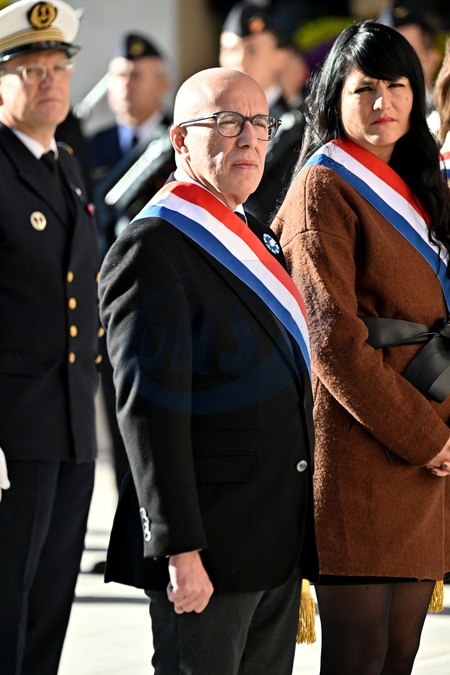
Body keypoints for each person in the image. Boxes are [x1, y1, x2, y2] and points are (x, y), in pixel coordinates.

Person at [99, 66, 318, 675]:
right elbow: (149, 413)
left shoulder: (253, 234)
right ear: (180, 141)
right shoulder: (153, 246)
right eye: (226, 122)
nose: (248, 137)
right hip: (208, 550)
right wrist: (179, 549)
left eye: (259, 123)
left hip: (272, 537)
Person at [272, 19, 450, 674]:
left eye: (398, 86)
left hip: (430, 443)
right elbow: (332, 341)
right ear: (334, 98)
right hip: (361, 448)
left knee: (400, 655)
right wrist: (425, 437)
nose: (383, 102)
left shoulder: (420, 183)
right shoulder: (322, 185)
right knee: (360, 656)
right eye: (365, 88)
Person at [0, 1, 101, 673]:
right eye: (30, 69)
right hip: (12, 432)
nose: (49, 80)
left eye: (58, 66)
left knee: (50, 603)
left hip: (69, 427)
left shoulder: (64, 162)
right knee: (5, 601)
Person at [89, 32, 175, 495]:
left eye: (138, 75)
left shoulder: (181, 141)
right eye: (119, 75)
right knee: (121, 423)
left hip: (168, 300)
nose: (126, 84)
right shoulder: (91, 146)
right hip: (110, 304)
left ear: (162, 84)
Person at [219, 2, 307, 222]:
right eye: (230, 50)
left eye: (252, 49)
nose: (239, 60)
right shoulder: (209, 124)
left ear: (281, 57)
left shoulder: (300, 128)